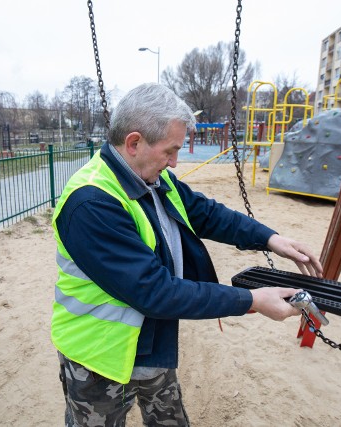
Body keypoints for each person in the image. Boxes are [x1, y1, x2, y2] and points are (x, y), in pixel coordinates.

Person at [50, 83, 323, 427]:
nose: (175, 161)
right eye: (170, 150)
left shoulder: (152, 177)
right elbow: (155, 291)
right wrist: (251, 300)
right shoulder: (92, 203)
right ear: (134, 143)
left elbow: (206, 213)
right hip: (100, 359)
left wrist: (270, 238)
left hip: (151, 343)